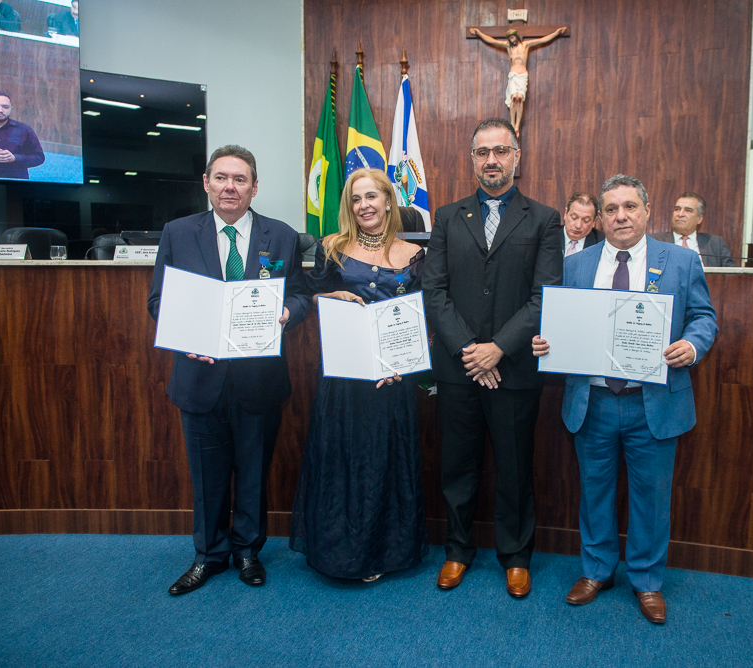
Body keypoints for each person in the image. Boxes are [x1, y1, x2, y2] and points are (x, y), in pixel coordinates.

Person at [532, 174, 717, 624]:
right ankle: (596, 571)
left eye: (630, 207)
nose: (621, 216)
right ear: (600, 217)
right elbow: (558, 320)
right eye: (611, 209)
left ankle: (647, 580)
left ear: (647, 211)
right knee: (594, 491)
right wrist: (546, 341)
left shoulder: (680, 261)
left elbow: (704, 317)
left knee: (651, 497)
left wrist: (692, 345)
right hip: (592, 400)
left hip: (652, 403)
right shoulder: (576, 264)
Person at [147, 145, 311, 595]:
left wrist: (287, 314)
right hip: (199, 378)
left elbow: (300, 296)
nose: (230, 187)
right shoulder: (178, 233)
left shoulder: (282, 236)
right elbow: (159, 300)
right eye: (221, 178)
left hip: (259, 380)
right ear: (206, 183)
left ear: (255, 187)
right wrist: (186, 336)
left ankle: (247, 552)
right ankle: (209, 555)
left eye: (240, 179)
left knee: (254, 473)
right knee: (207, 476)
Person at [423, 117, 563, 598]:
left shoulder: (544, 219)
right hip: (459, 369)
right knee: (457, 467)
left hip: (514, 368)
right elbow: (434, 290)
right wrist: (471, 351)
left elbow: (545, 296)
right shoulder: (447, 217)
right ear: (472, 160)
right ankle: (458, 550)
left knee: (515, 469)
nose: (491, 160)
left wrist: (498, 348)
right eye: (482, 152)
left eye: (501, 151)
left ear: (516, 157)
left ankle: (516, 557)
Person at [289, 168, 428, 582]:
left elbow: (424, 315)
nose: (364, 205)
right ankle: (341, 554)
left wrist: (407, 364)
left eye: (371, 196)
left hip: (393, 380)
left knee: (384, 462)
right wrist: (327, 296)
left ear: (388, 200)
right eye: (355, 198)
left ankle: (382, 553)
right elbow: (306, 295)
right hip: (344, 378)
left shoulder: (415, 255)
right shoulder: (331, 248)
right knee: (343, 461)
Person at [468, 26, 567, 136]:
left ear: (516, 36)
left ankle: (516, 126)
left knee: (519, 99)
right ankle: (512, 122)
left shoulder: (525, 45)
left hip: (522, 76)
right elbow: (492, 41)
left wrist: (557, 33)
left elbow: (542, 40)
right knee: (513, 98)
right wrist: (479, 33)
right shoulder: (508, 47)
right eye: (510, 38)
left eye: (513, 37)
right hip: (513, 75)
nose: (512, 40)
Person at [651, 192, 736, 267]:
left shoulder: (715, 243)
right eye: (677, 209)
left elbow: (731, 276)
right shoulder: (654, 241)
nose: (680, 214)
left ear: (699, 219)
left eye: (688, 210)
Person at [562, 191, 602, 256]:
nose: (578, 225)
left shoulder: (602, 244)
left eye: (586, 220)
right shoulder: (549, 236)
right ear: (566, 214)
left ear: (594, 222)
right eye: (574, 217)